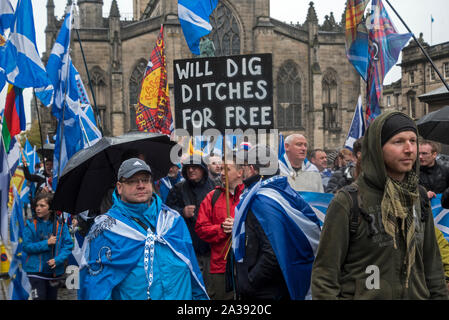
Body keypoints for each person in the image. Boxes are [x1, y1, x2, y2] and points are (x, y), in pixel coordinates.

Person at [311, 111, 448, 299]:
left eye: (413, 141)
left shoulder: (419, 197)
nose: (409, 149)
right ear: (377, 148)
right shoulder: (348, 201)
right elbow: (325, 276)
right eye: (398, 142)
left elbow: (433, 267)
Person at [79, 158, 208, 300]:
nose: (140, 185)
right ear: (119, 187)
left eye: (145, 180)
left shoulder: (173, 221)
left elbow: (192, 270)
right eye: (132, 181)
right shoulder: (105, 229)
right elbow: (95, 286)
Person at [231, 145, 321, 300]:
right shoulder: (283, 192)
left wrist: (248, 282)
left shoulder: (263, 200)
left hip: (266, 289)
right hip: (280, 282)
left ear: (252, 169)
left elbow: (271, 254)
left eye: (244, 167)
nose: (242, 172)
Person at [195, 155, 245, 300]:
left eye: (227, 169)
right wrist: (221, 229)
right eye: (221, 169)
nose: (222, 173)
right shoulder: (212, 196)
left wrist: (238, 226)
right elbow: (201, 228)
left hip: (245, 266)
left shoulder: (250, 196)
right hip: (220, 266)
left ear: (240, 172)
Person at [165, 156, 215, 294]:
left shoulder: (215, 187)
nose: (191, 170)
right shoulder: (179, 188)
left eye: (195, 167)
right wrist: (182, 212)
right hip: (189, 248)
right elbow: (166, 213)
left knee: (212, 288)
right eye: (188, 168)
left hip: (212, 247)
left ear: (203, 169)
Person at [23, 193, 73, 300]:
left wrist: (57, 260)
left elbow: (68, 245)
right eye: (37, 205)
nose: (38, 209)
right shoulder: (31, 224)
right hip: (35, 271)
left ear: (50, 208)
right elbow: (26, 246)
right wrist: (46, 243)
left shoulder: (60, 224)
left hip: (53, 273)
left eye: (42, 206)